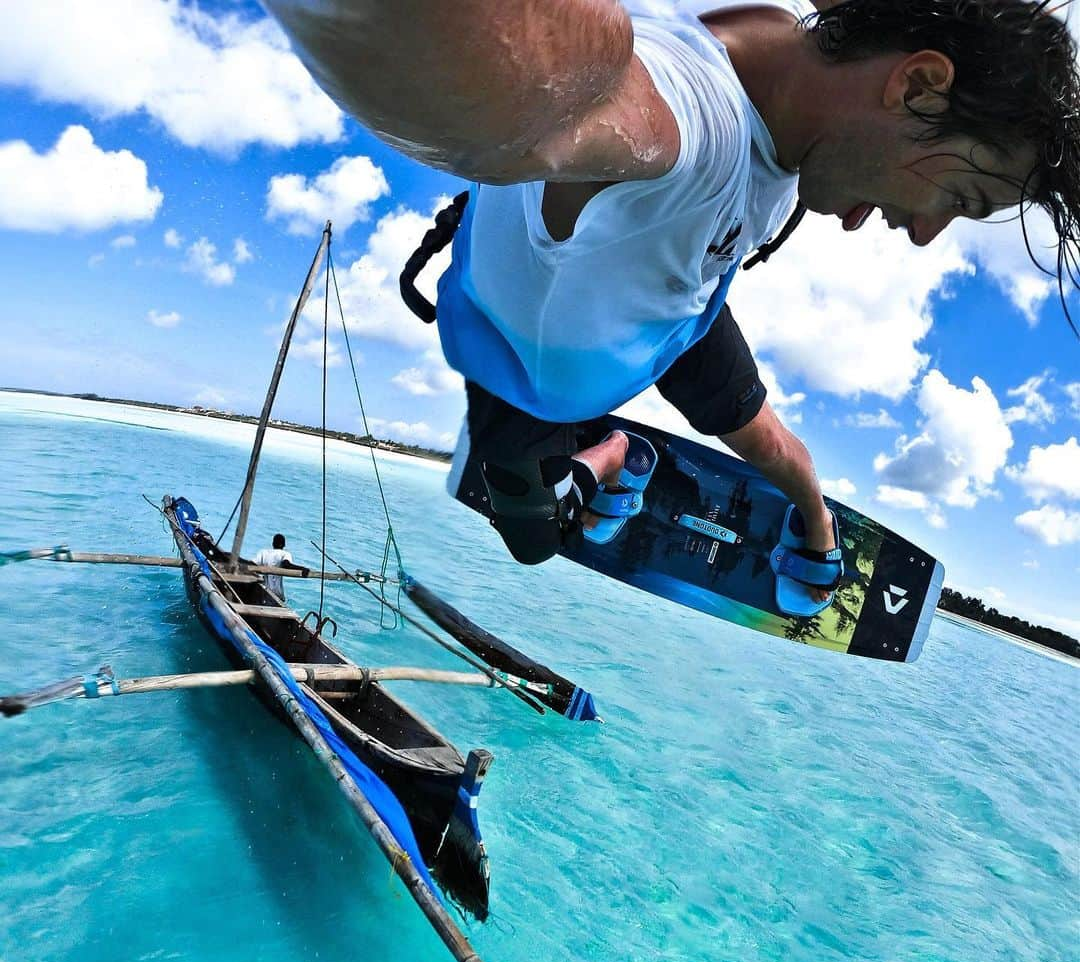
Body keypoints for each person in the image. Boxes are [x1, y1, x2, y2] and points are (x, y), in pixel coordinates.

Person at [263, 0, 1078, 607]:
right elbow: (558, 84)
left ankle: (812, 515)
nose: (928, 235)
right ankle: (611, 455)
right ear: (921, 85)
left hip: (678, 309)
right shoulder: (676, 123)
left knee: (789, 463)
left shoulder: (788, 83)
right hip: (519, 366)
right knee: (532, 542)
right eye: (960, 196)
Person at [253, 533, 306, 602]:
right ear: (283, 545)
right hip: (278, 593)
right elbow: (286, 564)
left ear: (273, 543)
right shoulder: (285, 553)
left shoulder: (263, 552)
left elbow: (253, 564)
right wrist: (303, 568)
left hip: (265, 591)